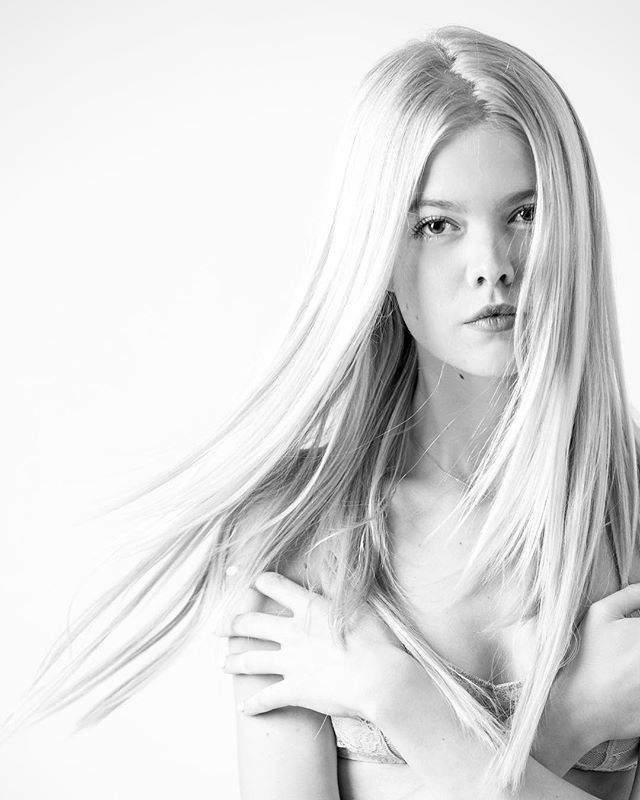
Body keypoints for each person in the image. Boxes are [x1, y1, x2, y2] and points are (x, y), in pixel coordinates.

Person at [5, 23, 640, 800]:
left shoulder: (629, 512)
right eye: (437, 225)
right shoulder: (299, 531)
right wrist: (565, 725)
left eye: (525, 214)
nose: (493, 269)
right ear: (376, 246)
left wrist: (399, 701)